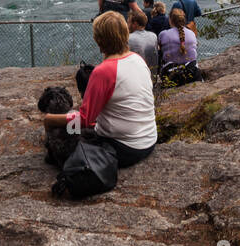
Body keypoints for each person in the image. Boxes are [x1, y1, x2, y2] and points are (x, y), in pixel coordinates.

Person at [38, 11, 156, 167]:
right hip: (148, 140)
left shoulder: (103, 71)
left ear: (99, 40)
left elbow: (84, 120)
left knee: (66, 133)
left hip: (124, 148)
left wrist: (50, 120)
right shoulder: (137, 59)